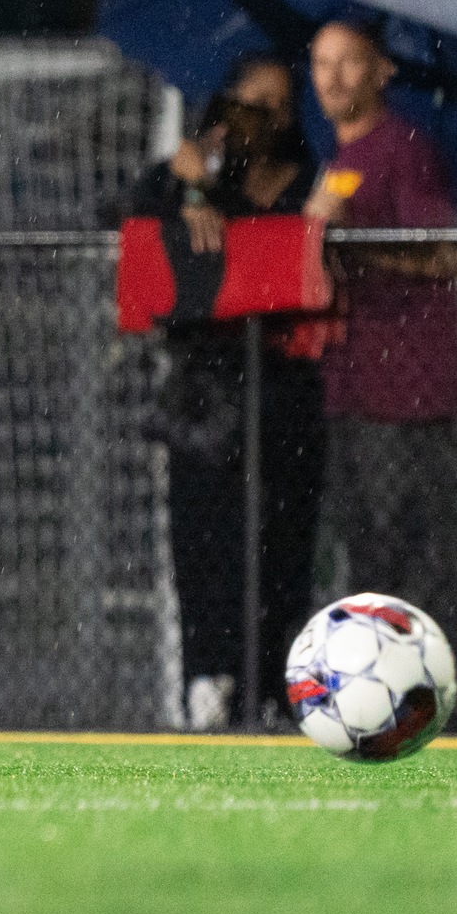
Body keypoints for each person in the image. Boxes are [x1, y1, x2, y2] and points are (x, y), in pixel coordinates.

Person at [129, 54, 325, 729]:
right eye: (252, 103)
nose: (266, 119)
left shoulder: (305, 182)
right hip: (206, 393)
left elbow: (306, 251)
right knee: (204, 538)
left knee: (281, 543)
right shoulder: (199, 179)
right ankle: (207, 678)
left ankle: (271, 686)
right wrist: (189, 190)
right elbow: (137, 213)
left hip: (283, 391)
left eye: (279, 105)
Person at [303, 19, 457, 659]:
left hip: (408, 394)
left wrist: (352, 248)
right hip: (351, 386)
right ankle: (383, 697)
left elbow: (443, 257)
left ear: (382, 71)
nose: (333, 77)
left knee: (419, 561)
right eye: (321, 63)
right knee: (368, 557)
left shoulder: (404, 148)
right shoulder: (337, 159)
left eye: (349, 61)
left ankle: (451, 701)